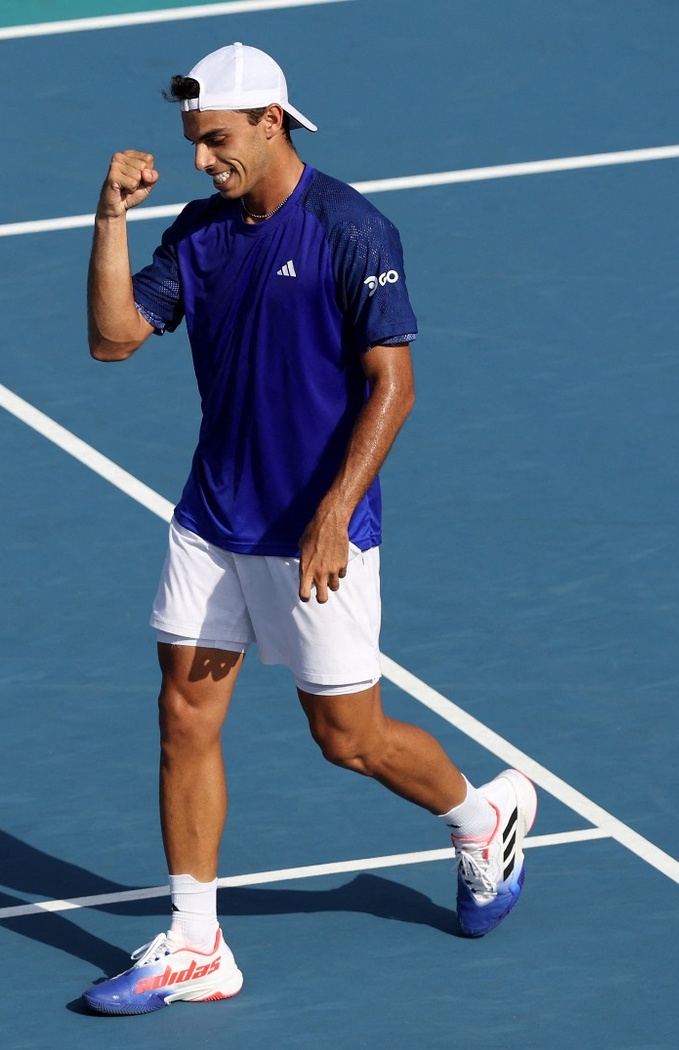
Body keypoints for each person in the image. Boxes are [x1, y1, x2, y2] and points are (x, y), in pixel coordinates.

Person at [82, 42, 537, 1016]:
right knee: (183, 716)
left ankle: (480, 815)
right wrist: (111, 217)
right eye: (194, 144)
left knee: (348, 737)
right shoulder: (200, 235)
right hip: (214, 520)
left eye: (217, 141)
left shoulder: (352, 230)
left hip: (315, 536)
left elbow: (394, 384)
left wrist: (334, 511)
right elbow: (114, 338)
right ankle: (196, 944)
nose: (204, 161)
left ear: (272, 122)